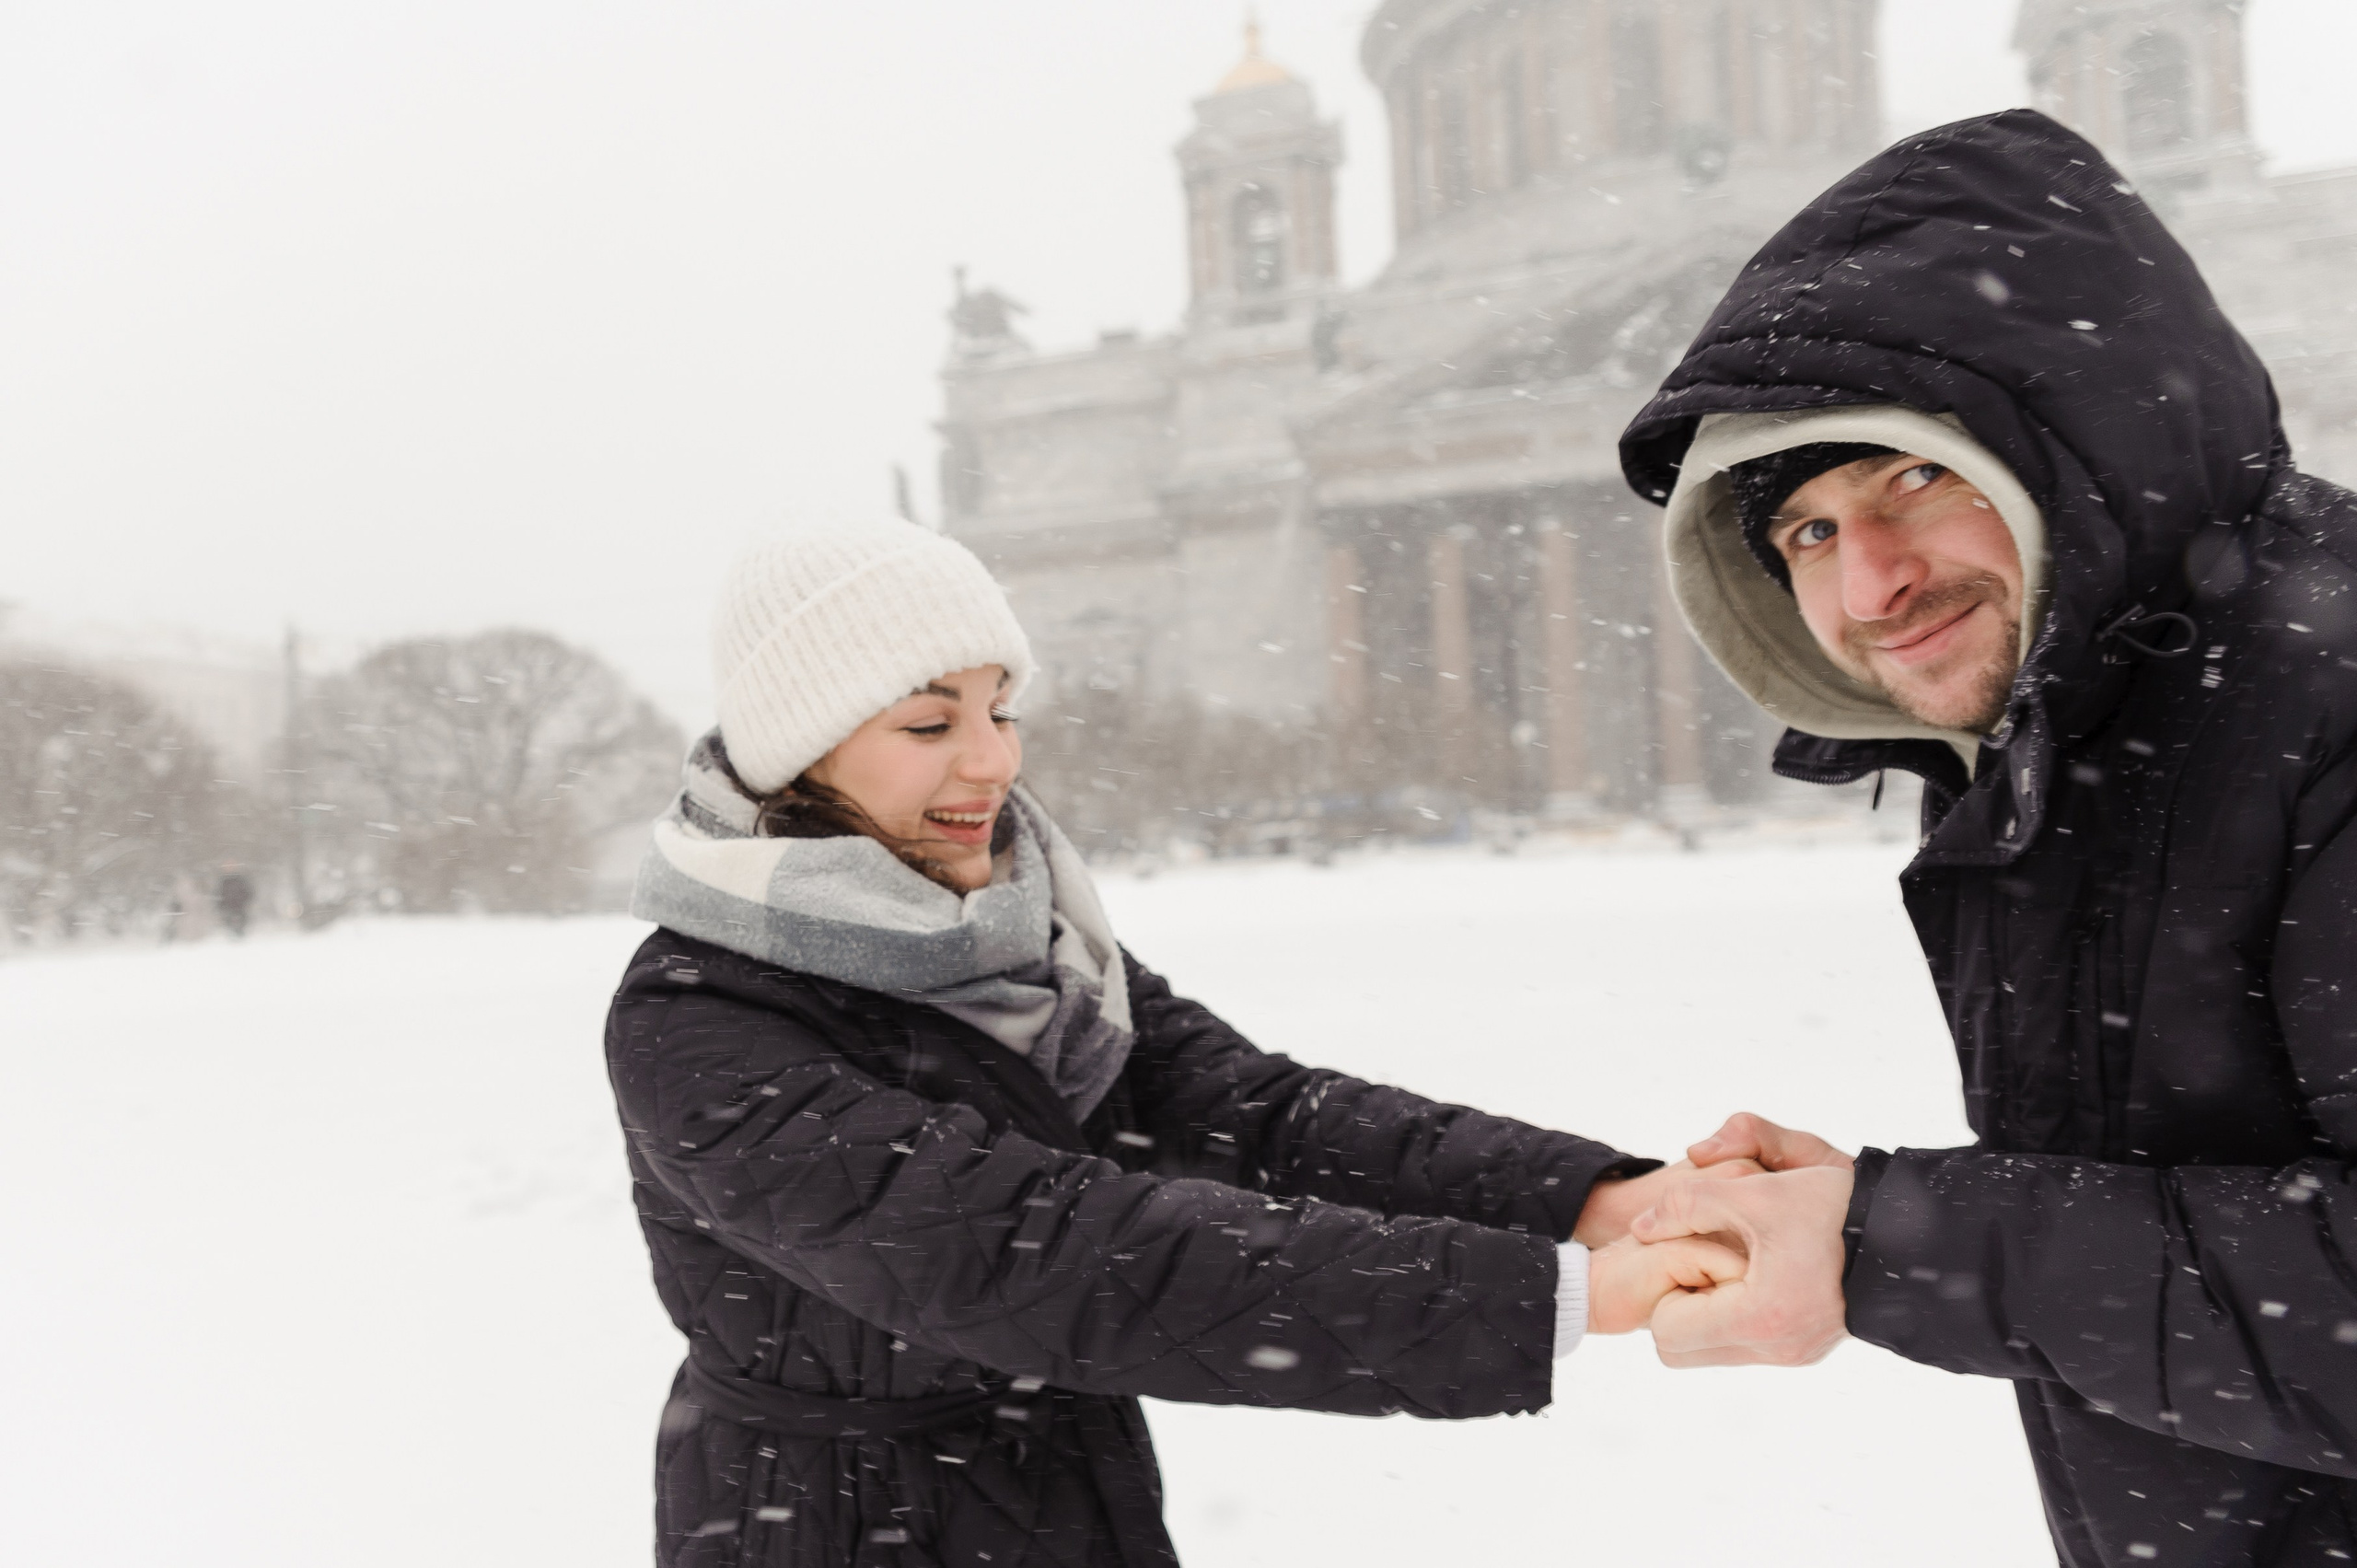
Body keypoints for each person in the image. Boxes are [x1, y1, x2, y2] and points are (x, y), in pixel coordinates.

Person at [607, 517, 1748, 1566]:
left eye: (1000, 708)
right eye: (928, 722)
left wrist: (1591, 1196)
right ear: (799, 751)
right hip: (829, 1525)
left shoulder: (1026, 945)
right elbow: (1052, 1257)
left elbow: (1259, 1116)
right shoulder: (699, 1017)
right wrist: (1548, 1291)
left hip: (1059, 1495)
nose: (994, 759)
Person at [1618, 109, 2357, 1564]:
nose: (1873, 585)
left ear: (2082, 443)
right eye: (1807, 532)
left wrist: (1889, 1240)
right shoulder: (2069, 738)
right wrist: (1854, 1211)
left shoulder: (2321, 697)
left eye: (1913, 476)